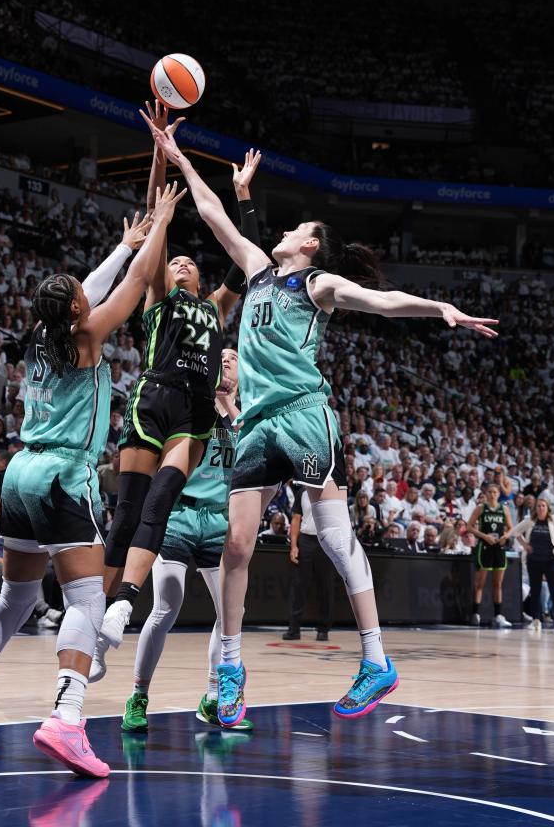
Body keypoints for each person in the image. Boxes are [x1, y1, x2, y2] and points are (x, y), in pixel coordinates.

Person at [147, 115, 498, 726]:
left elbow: (382, 302)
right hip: (255, 426)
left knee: (335, 539)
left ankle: (375, 659)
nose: (285, 229)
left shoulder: (318, 284)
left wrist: (438, 307)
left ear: (309, 244)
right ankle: (229, 669)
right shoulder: (256, 268)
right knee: (235, 547)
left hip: (304, 417)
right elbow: (210, 213)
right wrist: (176, 157)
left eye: (298, 228)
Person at [0, 186, 181, 777]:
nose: (82, 296)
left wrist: (122, 244)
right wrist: (162, 221)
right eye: (77, 297)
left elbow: (92, 289)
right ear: (76, 314)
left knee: (16, 596)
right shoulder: (89, 336)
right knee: (86, 598)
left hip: (18, 475)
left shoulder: (42, 332)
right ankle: (67, 719)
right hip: (65, 475)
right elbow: (136, 287)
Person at [94, 116, 262, 677]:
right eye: (176, 259)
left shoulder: (214, 307)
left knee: (160, 502)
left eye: (190, 260)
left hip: (192, 414)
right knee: (125, 515)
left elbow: (246, 259)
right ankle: (97, 621)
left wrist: (242, 197)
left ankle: (123, 603)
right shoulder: (159, 296)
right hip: (153, 398)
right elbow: (154, 221)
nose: (183, 260)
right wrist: (160, 155)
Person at [118, 348, 253, 734]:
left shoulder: (244, 417)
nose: (226, 359)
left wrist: (230, 406)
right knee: (166, 606)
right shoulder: (190, 404)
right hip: (179, 512)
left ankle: (212, 698)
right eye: (221, 356)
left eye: (233, 357)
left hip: (218, 520)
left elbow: (253, 455)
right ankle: (138, 695)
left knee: (230, 615)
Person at [501, 497, 554, 634]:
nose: (541, 508)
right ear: (535, 508)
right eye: (539, 506)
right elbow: (515, 531)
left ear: (547, 508)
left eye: (543, 506)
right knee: (535, 591)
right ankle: (536, 621)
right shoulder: (530, 520)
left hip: (552, 561)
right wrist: (524, 545)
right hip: (533, 561)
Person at [283, 484, 336, 642]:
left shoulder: (331, 492)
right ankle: (294, 630)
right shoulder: (302, 492)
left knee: (325, 587)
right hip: (305, 540)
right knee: (299, 586)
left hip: (325, 540)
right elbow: (296, 519)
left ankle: (323, 630)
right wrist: (293, 546)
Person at [467, 483, 513, 627]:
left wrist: (506, 536)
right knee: (480, 583)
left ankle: (498, 616)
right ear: (486, 494)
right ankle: (476, 613)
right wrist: (484, 536)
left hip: (499, 547)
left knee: (497, 584)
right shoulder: (481, 508)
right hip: (485, 546)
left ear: (499, 494)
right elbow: (469, 526)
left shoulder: (504, 509)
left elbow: (511, 528)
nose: (493, 494)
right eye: (490, 492)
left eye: (495, 492)